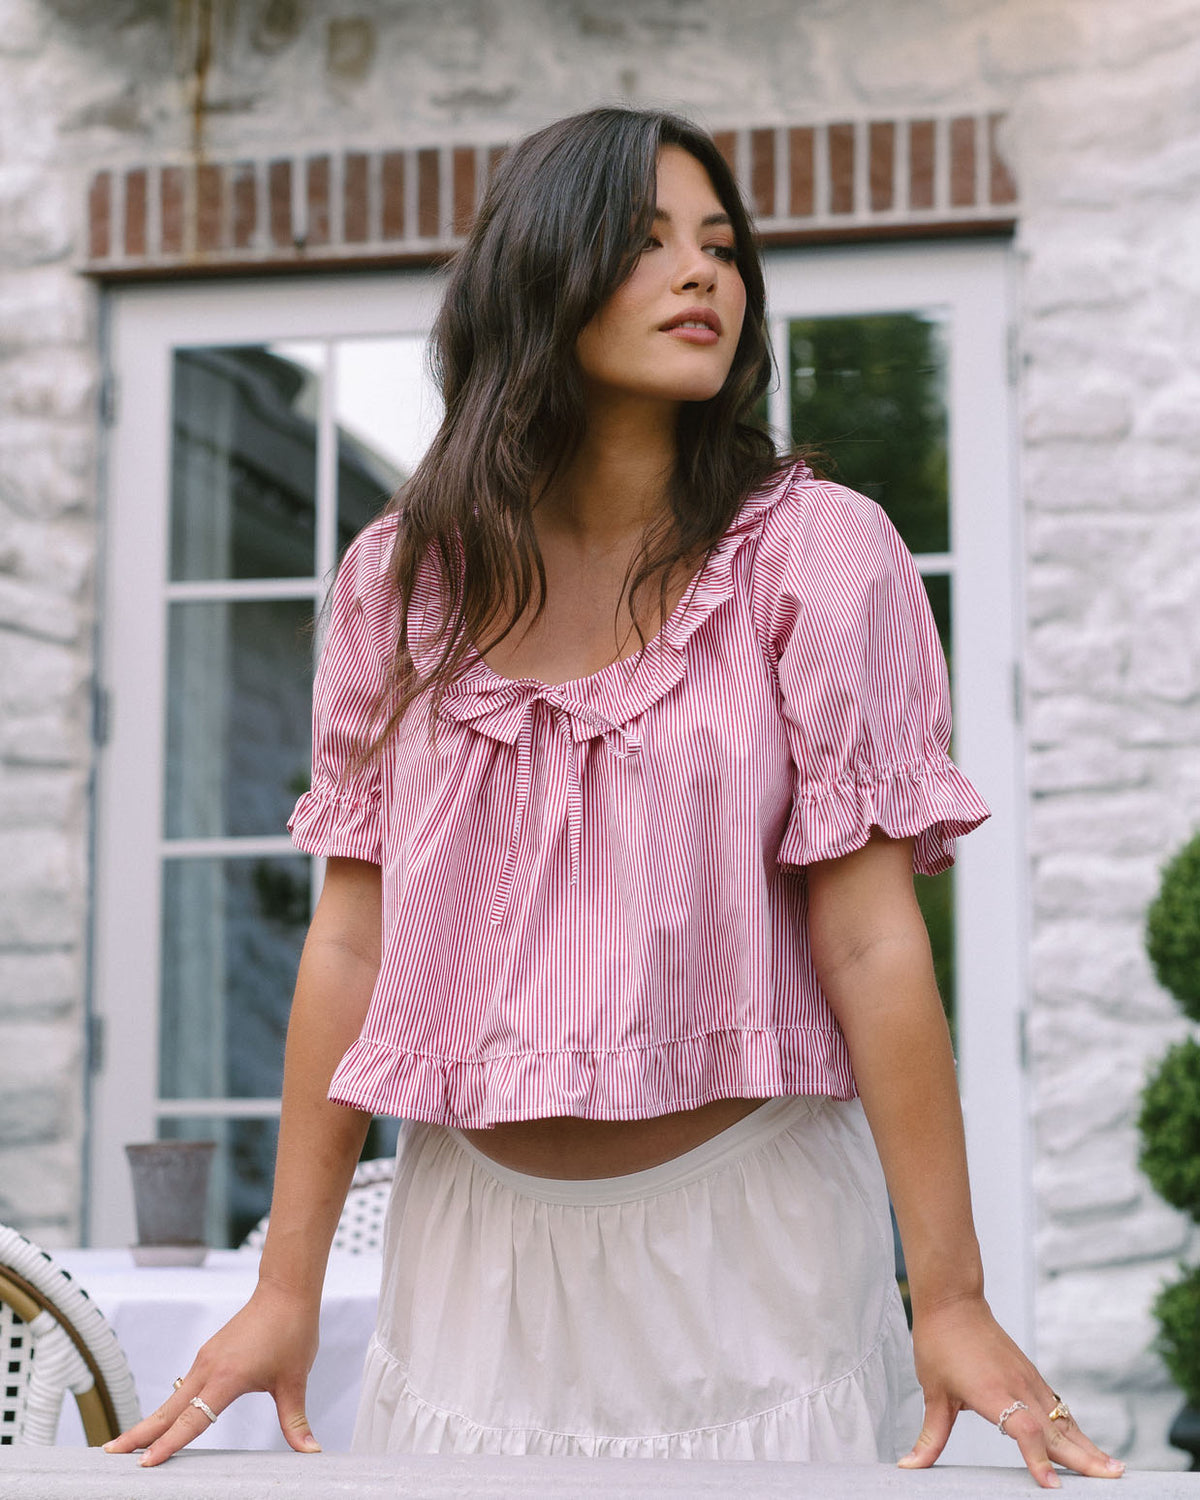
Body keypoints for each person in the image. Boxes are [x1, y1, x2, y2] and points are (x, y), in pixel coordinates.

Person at [107, 107, 1124, 1488]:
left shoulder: (818, 555)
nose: (703, 272)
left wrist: (944, 1294)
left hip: (753, 1250)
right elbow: (353, 939)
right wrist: (286, 1288)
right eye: (647, 242)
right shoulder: (397, 585)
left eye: (721, 245)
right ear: (541, 273)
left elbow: (875, 938)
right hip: (473, 1258)